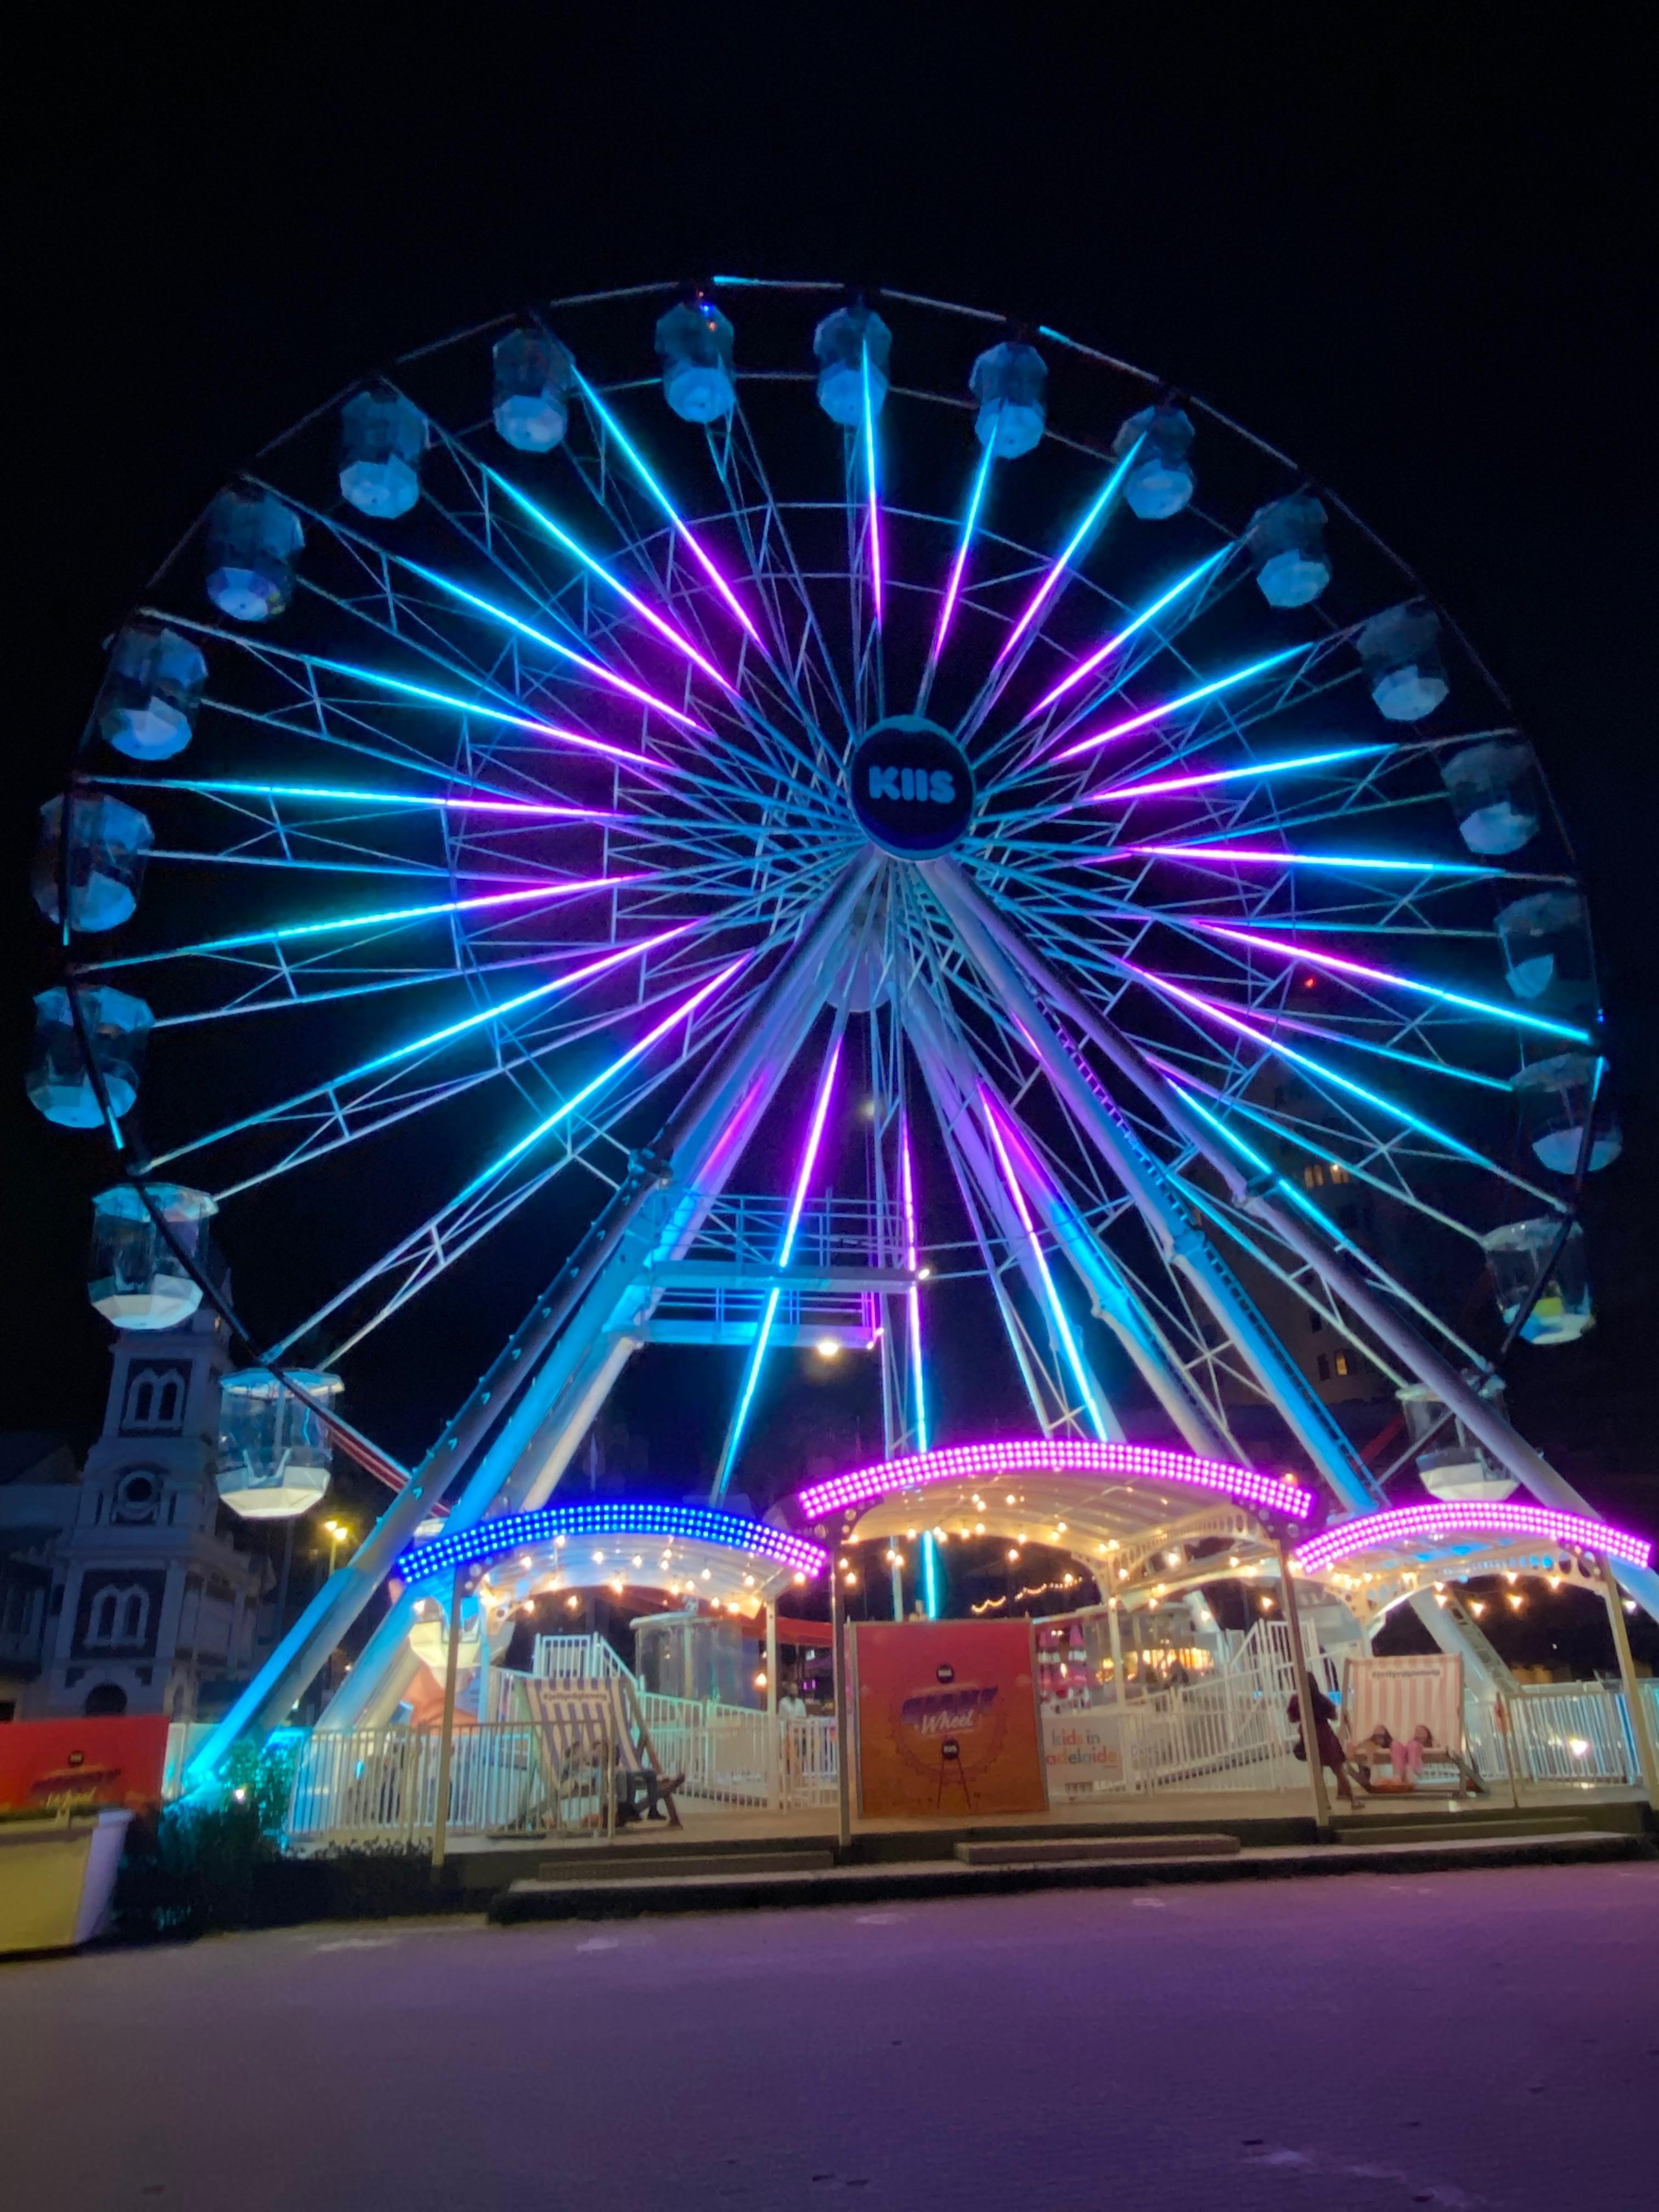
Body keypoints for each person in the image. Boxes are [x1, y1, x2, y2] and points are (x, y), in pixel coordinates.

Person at [1287, 1674, 1355, 1805]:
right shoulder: (1322, 1699)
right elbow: (1334, 1716)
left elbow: (1292, 1719)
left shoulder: (1296, 1700)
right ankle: (1353, 1800)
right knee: (1338, 1770)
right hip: (1325, 1735)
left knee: (1318, 1773)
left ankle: (1325, 1804)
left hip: (1309, 1733)